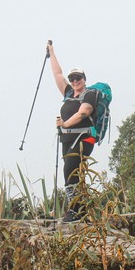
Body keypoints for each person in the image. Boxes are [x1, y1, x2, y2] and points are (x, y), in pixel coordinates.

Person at [48, 41, 98, 223]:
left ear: (84, 79)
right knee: (73, 172)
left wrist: (64, 124)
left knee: (71, 169)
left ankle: (75, 210)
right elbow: (57, 74)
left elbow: (84, 112)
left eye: (78, 78)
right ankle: (81, 210)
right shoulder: (69, 93)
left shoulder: (89, 94)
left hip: (84, 137)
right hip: (68, 140)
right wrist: (52, 52)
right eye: (73, 79)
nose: (75, 81)